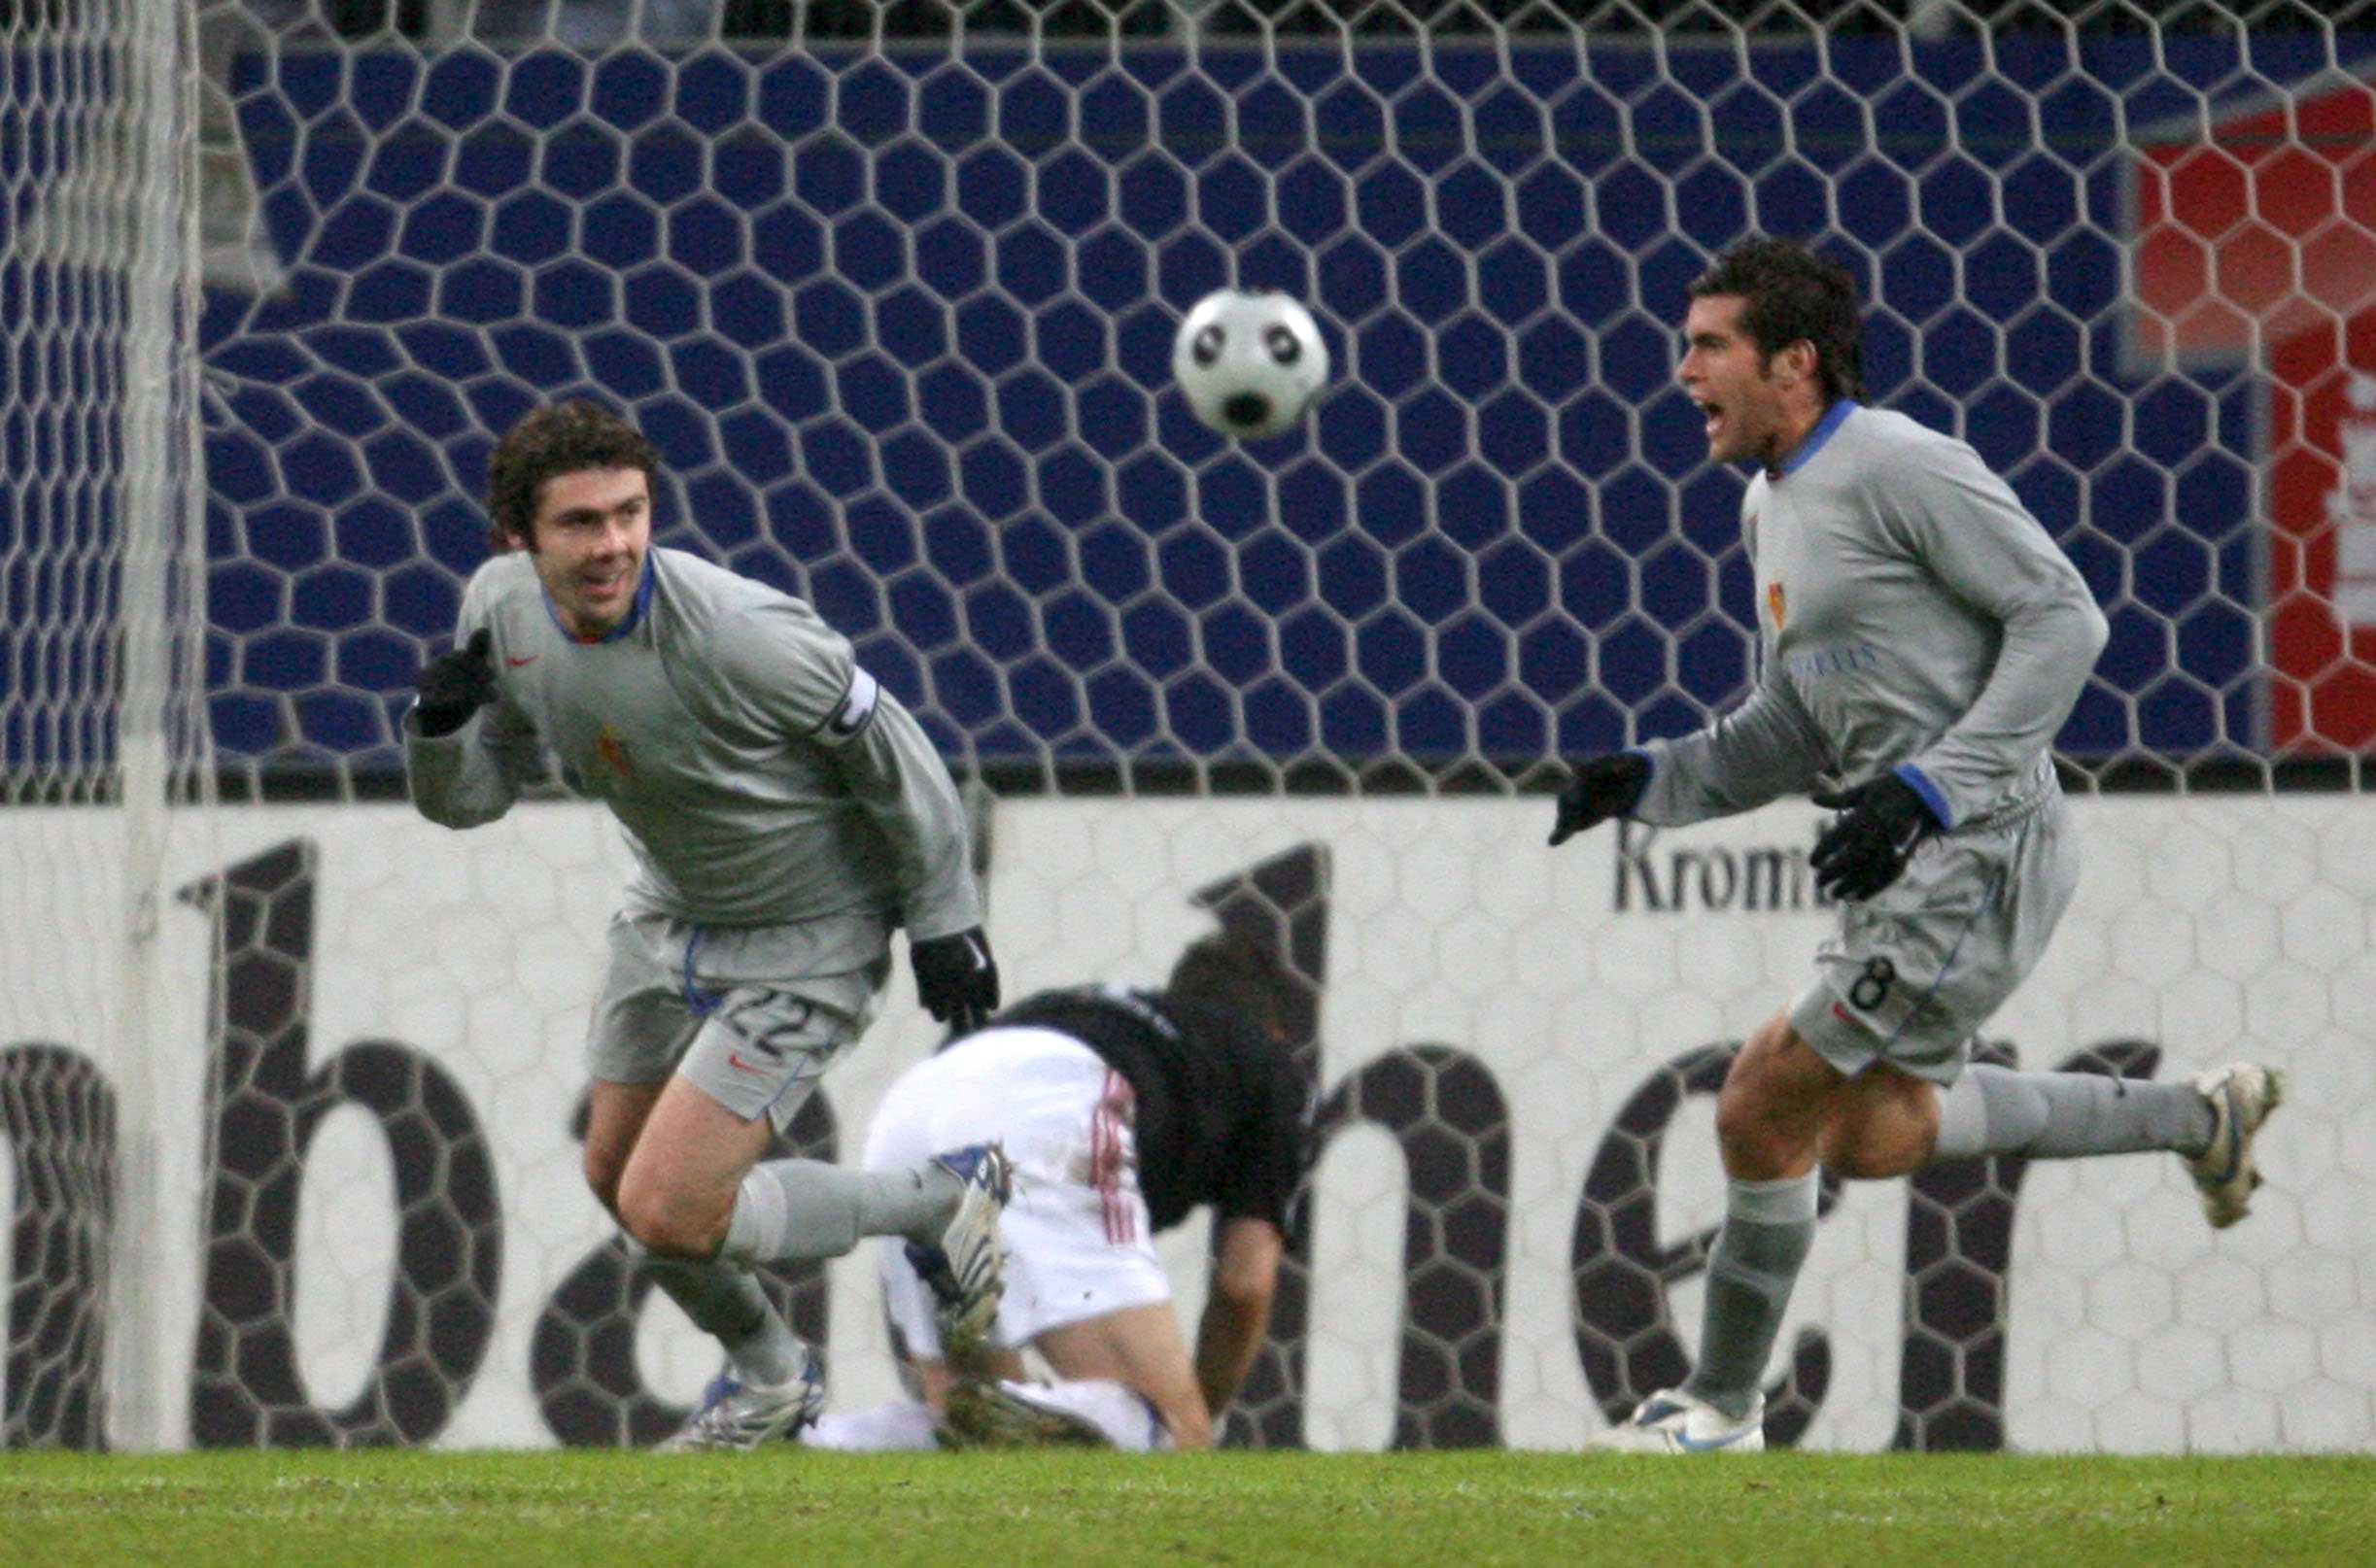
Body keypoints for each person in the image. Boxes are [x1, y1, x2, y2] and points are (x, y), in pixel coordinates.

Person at [1548, 238, 2284, 1454]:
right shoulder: (1765, 504)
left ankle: (1720, 1409)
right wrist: (1659, 780)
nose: (1684, 371)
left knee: (1758, 1102)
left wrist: (1932, 790)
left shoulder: (1902, 464)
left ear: (1794, 362)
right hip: (1920, 853)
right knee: (1874, 1130)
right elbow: (1795, 720)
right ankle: (2199, 1119)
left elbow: (2066, 619)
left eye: (1709, 345)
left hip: (1978, 845)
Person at [406, 398, 1010, 1450]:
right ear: (516, 536)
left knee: (672, 1212)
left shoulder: (740, 634)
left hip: (807, 936)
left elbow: (895, 750)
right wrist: (438, 730)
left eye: (630, 514)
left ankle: (937, 1205)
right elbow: (470, 802)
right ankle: (772, 1380)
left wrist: (944, 920)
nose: (613, 546)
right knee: (613, 1177)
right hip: (665, 916)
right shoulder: (498, 609)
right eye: (580, 523)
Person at [804, 930, 1314, 1453]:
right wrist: (1197, 1418)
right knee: (1168, 1431)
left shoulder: (1090, 1007)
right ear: (1275, 1031)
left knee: (974, 1439)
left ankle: (815, 1439)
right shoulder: (1264, 1061)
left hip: (914, 1111)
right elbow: (1245, 1283)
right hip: (1051, 1106)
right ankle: (1078, 1412)